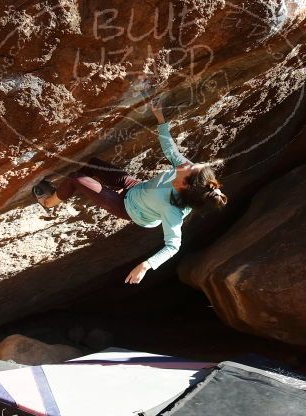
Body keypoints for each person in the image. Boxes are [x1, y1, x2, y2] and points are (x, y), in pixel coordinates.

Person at [32, 99, 227, 285]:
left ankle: (48, 202)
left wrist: (146, 265)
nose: (188, 163)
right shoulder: (187, 171)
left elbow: (173, 246)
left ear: (185, 184)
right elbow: (171, 151)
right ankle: (71, 189)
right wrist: (160, 118)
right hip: (136, 188)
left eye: (192, 167)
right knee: (92, 165)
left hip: (127, 207)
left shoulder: (172, 210)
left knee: (77, 178)